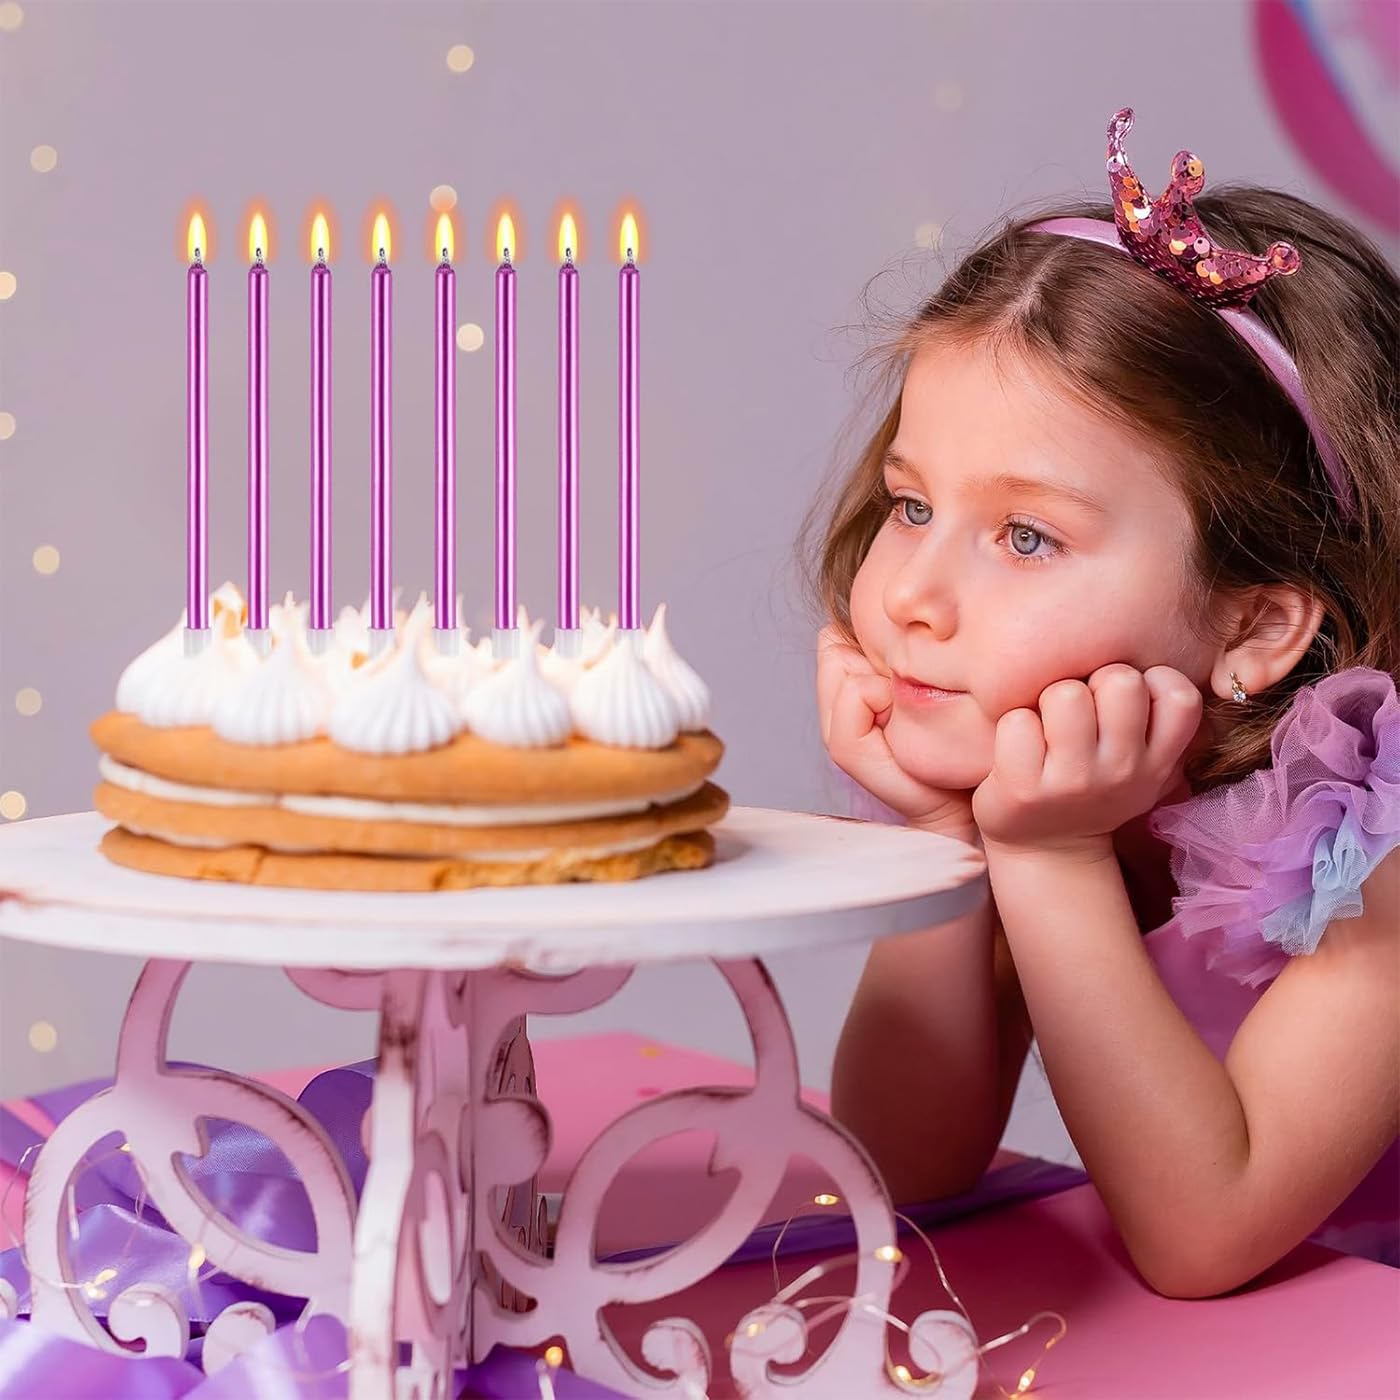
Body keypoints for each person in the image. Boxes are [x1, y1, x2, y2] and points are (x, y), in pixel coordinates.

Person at [809, 109, 1398, 1298]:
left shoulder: (1367, 845)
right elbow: (897, 1167)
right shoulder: (1051, 775)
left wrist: (1054, 858)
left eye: (1025, 535)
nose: (913, 594)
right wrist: (942, 841)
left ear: (1253, 626)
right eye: (911, 505)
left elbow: (1200, 1235)